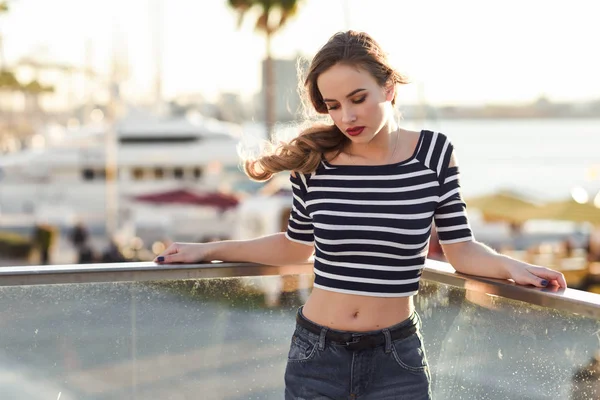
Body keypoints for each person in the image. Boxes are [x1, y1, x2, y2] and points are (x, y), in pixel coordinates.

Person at [155, 31, 567, 399]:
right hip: (316, 354)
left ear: (388, 87)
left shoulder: (434, 154)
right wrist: (210, 250)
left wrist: (515, 268)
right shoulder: (314, 162)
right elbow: (297, 246)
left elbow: (461, 250)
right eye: (333, 106)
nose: (346, 117)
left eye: (358, 99)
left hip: (397, 359)